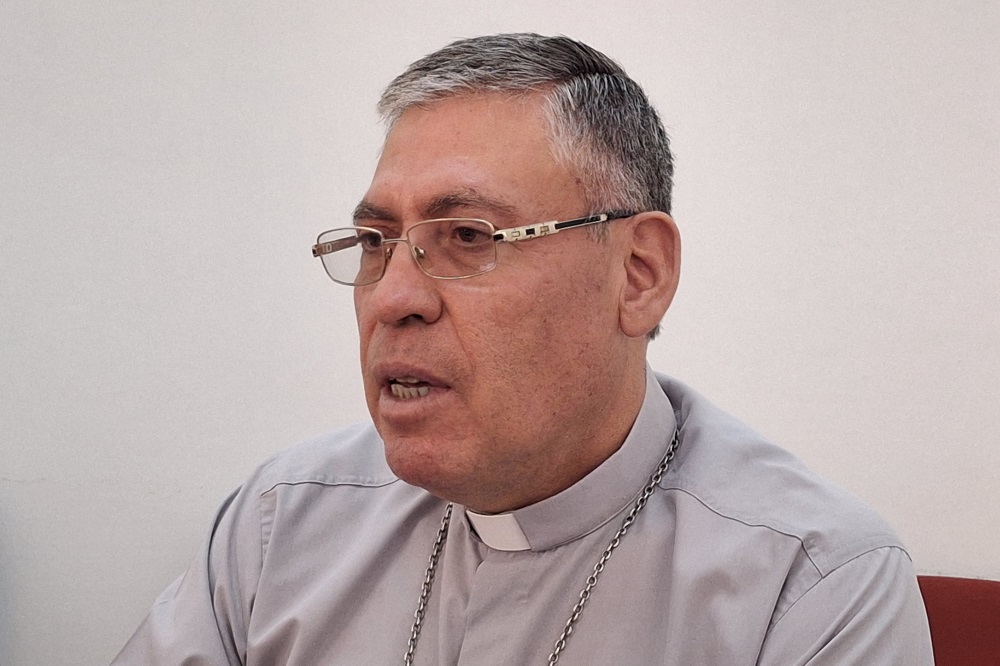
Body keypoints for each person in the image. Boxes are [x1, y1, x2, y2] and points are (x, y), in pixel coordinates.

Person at [114, 33, 933, 664]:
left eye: (469, 236)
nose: (393, 297)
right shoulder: (281, 523)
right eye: (374, 242)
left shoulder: (813, 584)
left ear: (639, 274)